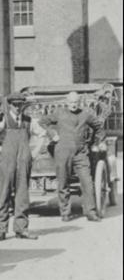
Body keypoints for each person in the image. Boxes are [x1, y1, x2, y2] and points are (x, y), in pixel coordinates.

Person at [39, 91, 106, 222]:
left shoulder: (86, 114)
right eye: (71, 102)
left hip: (81, 152)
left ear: (79, 102)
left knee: (87, 182)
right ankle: (65, 212)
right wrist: (52, 133)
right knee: (63, 182)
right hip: (62, 151)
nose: (73, 105)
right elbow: (42, 122)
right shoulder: (59, 113)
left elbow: (99, 128)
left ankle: (90, 212)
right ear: (66, 102)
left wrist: (96, 142)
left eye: (76, 102)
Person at [0, 93, 38, 241]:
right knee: (3, 193)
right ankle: (0, 230)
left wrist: (34, 152)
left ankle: (21, 229)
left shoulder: (29, 121)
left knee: (22, 194)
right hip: (6, 160)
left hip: (23, 161)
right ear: (10, 105)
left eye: (20, 105)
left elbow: (43, 134)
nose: (17, 108)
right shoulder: (3, 120)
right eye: (15, 105)